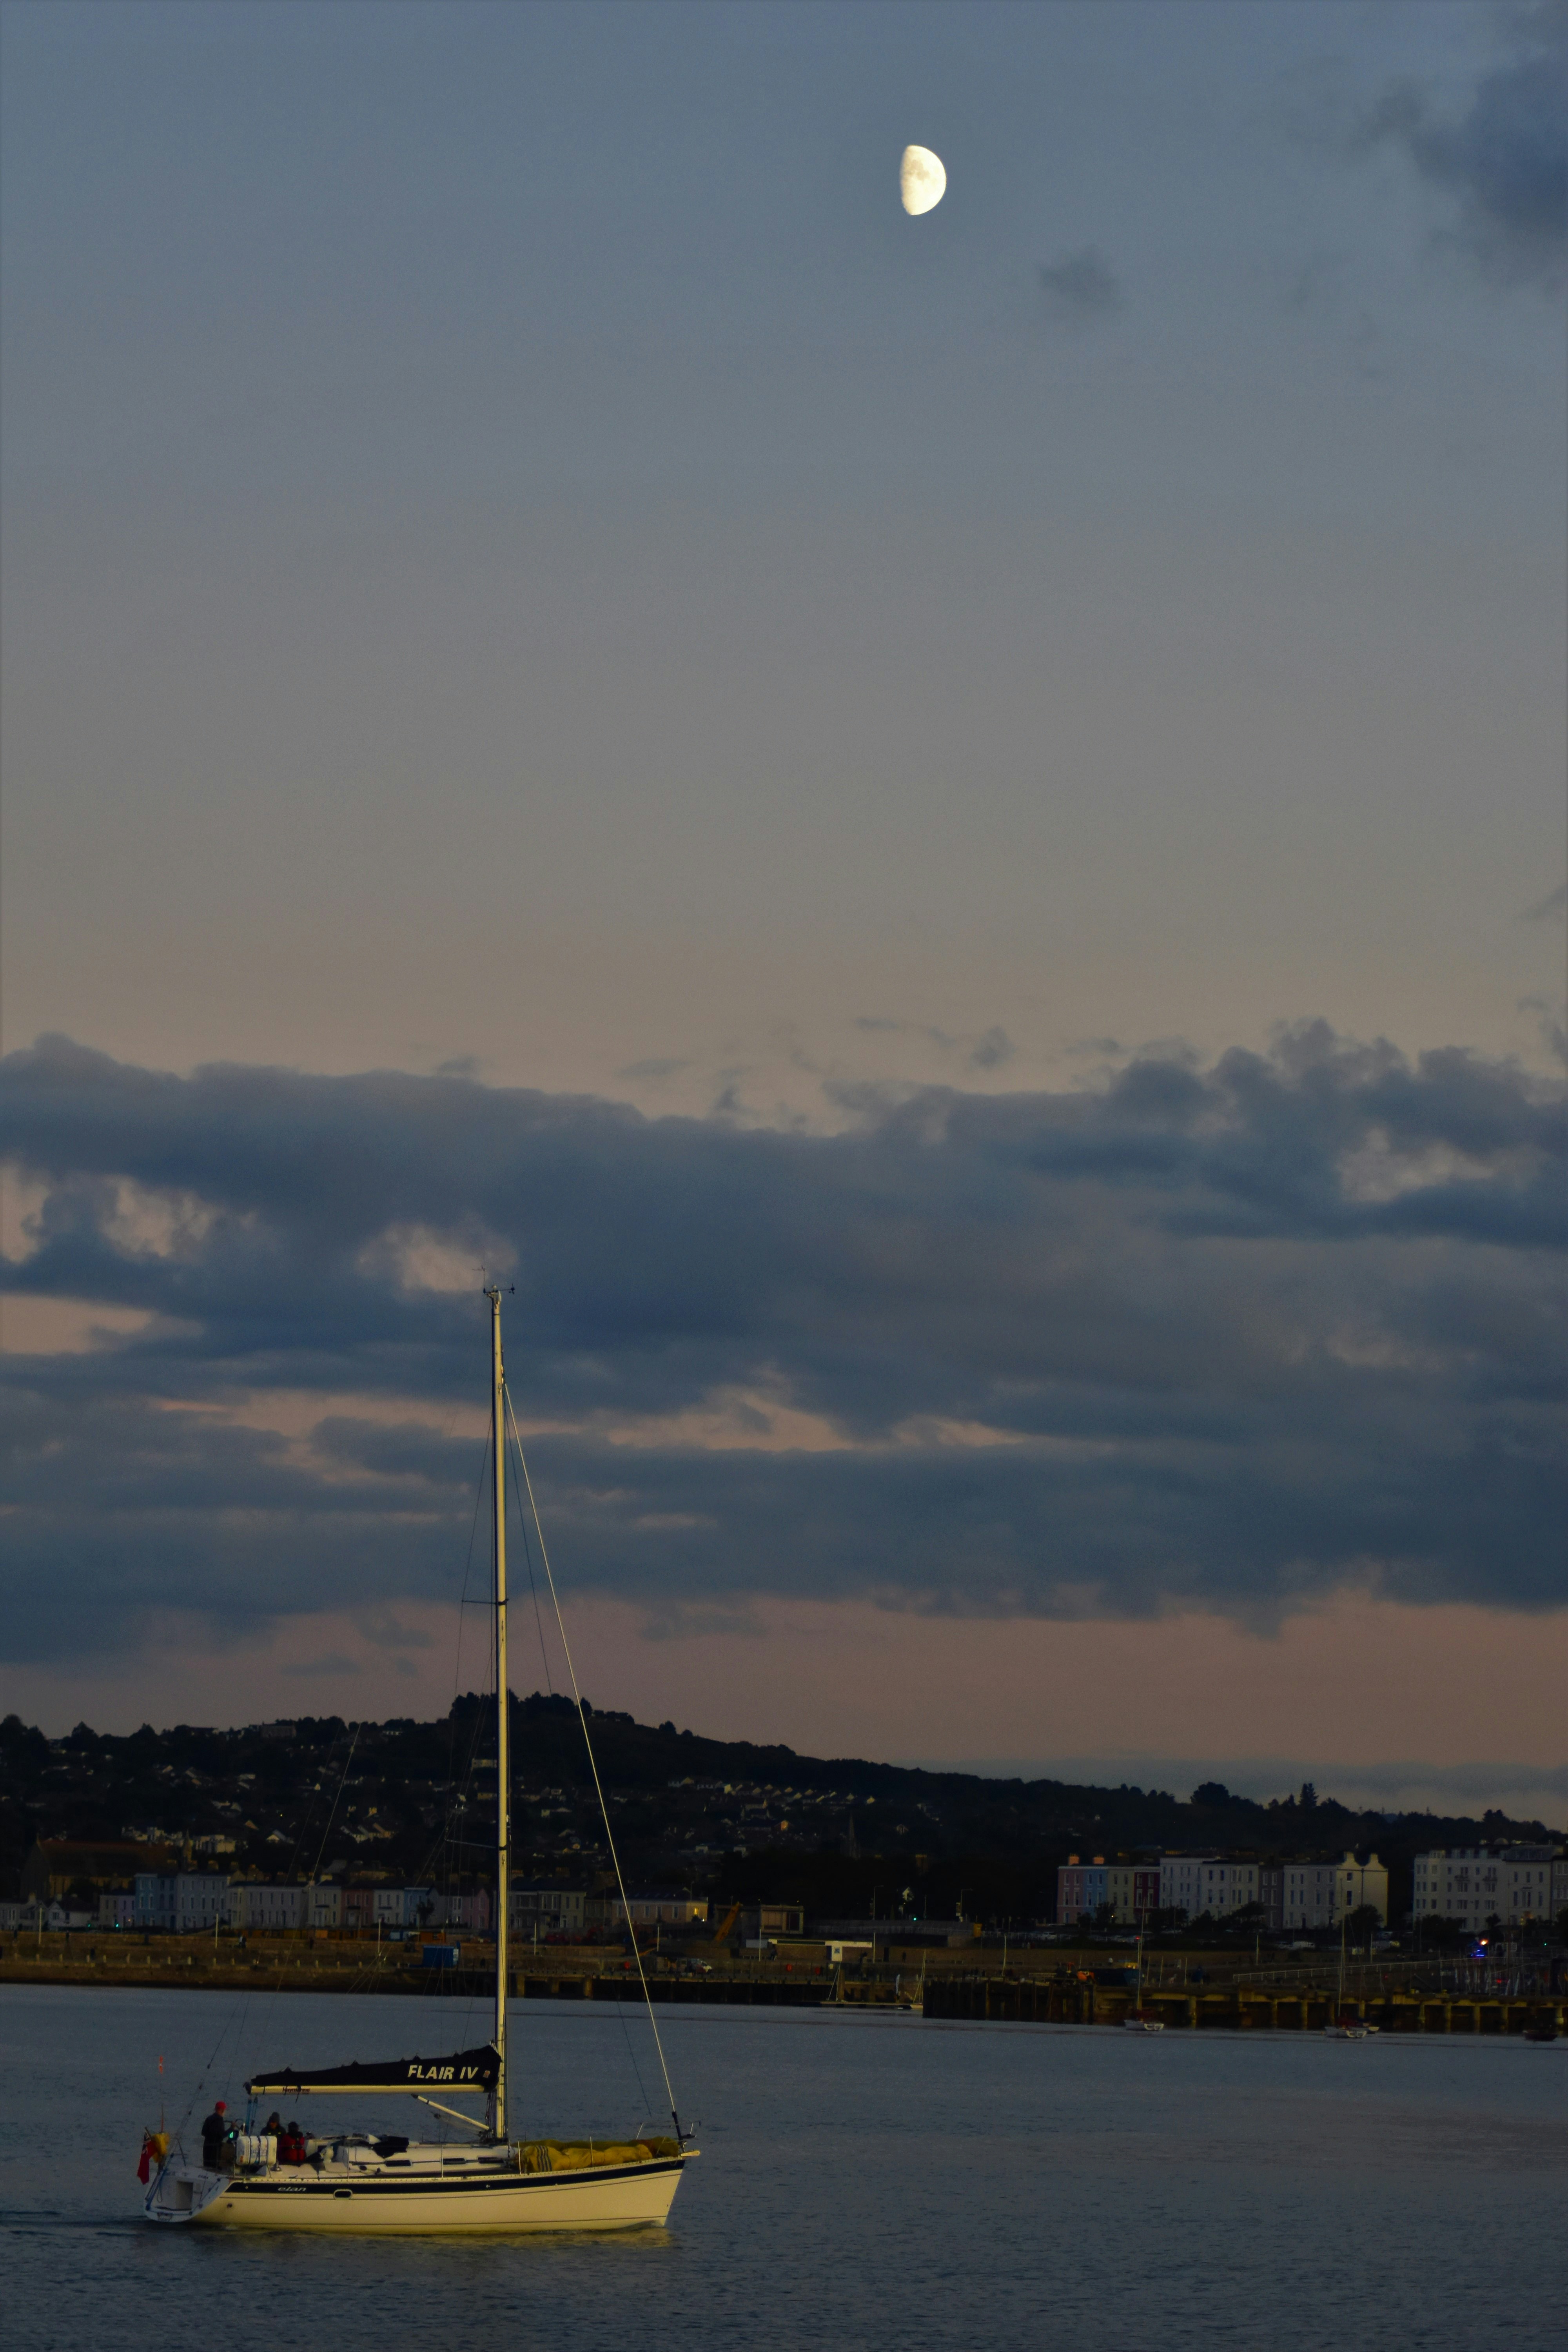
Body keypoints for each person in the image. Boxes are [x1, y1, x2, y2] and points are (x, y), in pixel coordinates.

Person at [200, 2100, 230, 2171]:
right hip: (215, 2151)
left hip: (207, 2148)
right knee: (214, 2168)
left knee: (207, 2166)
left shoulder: (209, 2119)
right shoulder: (220, 2121)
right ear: (222, 2110)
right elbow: (222, 2136)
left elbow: (203, 2132)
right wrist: (231, 2129)